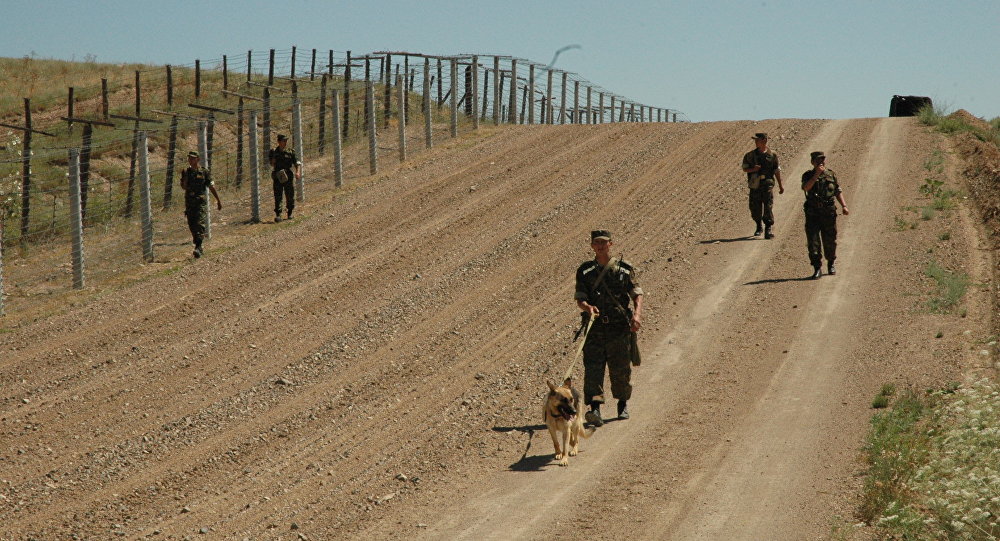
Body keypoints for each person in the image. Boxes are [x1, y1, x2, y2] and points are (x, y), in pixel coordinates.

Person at [574, 229, 644, 427]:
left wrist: (637, 316)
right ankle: (595, 408)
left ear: (611, 244)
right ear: (592, 246)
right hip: (595, 328)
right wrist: (587, 307)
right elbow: (580, 298)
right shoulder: (585, 271)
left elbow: (637, 294)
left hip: (619, 327)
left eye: (604, 242)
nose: (601, 246)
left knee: (620, 368)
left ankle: (622, 404)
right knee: (593, 368)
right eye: (597, 242)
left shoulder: (623, 269)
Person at [801, 151, 849, 279]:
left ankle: (831, 263)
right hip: (813, 213)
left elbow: (837, 190)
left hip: (828, 212)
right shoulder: (808, 175)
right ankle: (817, 268)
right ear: (812, 162)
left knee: (830, 240)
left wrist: (844, 205)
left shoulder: (830, 174)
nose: (821, 162)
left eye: (822, 160)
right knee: (813, 242)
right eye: (818, 161)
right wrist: (816, 175)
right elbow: (806, 188)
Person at [741, 132, 785, 238]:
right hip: (755, 185)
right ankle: (758, 226)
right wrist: (753, 169)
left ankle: (768, 229)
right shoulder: (750, 155)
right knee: (755, 208)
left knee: (768, 207)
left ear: (764, 140)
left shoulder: (772, 155)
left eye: (758, 140)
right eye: (755, 140)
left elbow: (776, 170)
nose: (756, 142)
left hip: (767, 185)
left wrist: (780, 185)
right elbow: (744, 168)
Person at [180, 151, 222, 259]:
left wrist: (218, 199)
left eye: (193, 158)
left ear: (198, 159)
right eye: (189, 158)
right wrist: (185, 181)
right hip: (190, 203)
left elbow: (211, 186)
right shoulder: (186, 172)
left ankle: (198, 247)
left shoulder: (204, 172)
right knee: (192, 225)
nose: (191, 160)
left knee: (200, 224)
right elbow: (184, 187)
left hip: (200, 203)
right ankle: (198, 245)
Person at [269, 134, 301, 222]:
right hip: (278, 175)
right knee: (278, 195)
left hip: (288, 175)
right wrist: (273, 161)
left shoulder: (291, 151)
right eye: (283, 141)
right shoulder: (273, 152)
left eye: (286, 140)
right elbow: (271, 164)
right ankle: (278, 214)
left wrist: (297, 172)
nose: (285, 142)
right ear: (279, 142)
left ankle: (290, 213)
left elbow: (297, 163)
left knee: (290, 194)